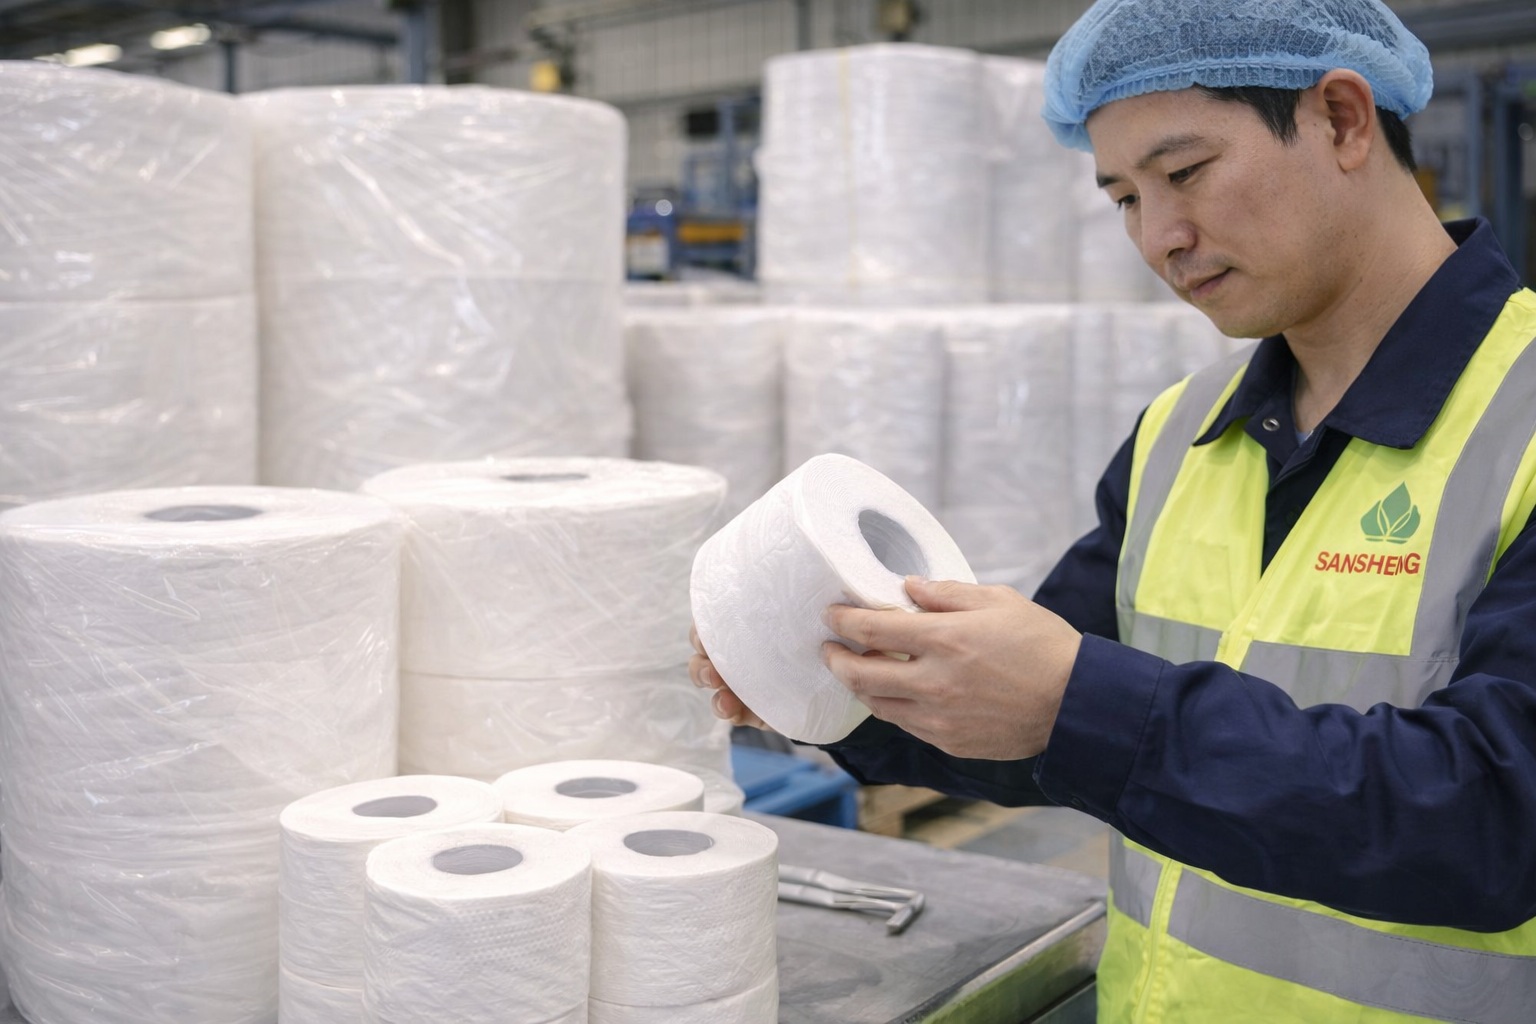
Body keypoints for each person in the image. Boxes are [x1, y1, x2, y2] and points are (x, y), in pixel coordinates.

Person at [690, 0, 1536, 1020]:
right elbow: (1035, 724)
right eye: (1125, 197)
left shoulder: (1521, 422)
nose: (1161, 237)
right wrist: (845, 680)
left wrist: (1077, 702)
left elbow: (1497, 818)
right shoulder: (1186, 434)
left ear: (1343, 120)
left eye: (1186, 172)